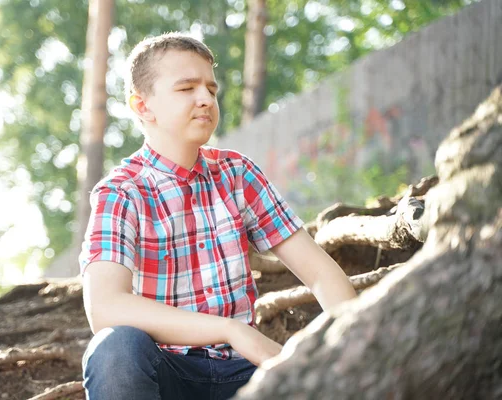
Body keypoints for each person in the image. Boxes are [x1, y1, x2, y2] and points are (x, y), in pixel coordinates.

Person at [79, 32, 357, 400]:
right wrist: (229, 329)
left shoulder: (238, 174)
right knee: (115, 348)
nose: (205, 99)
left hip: (246, 373)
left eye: (211, 89)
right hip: (167, 373)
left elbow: (321, 274)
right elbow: (105, 307)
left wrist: (356, 349)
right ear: (142, 106)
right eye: (186, 88)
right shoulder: (120, 192)